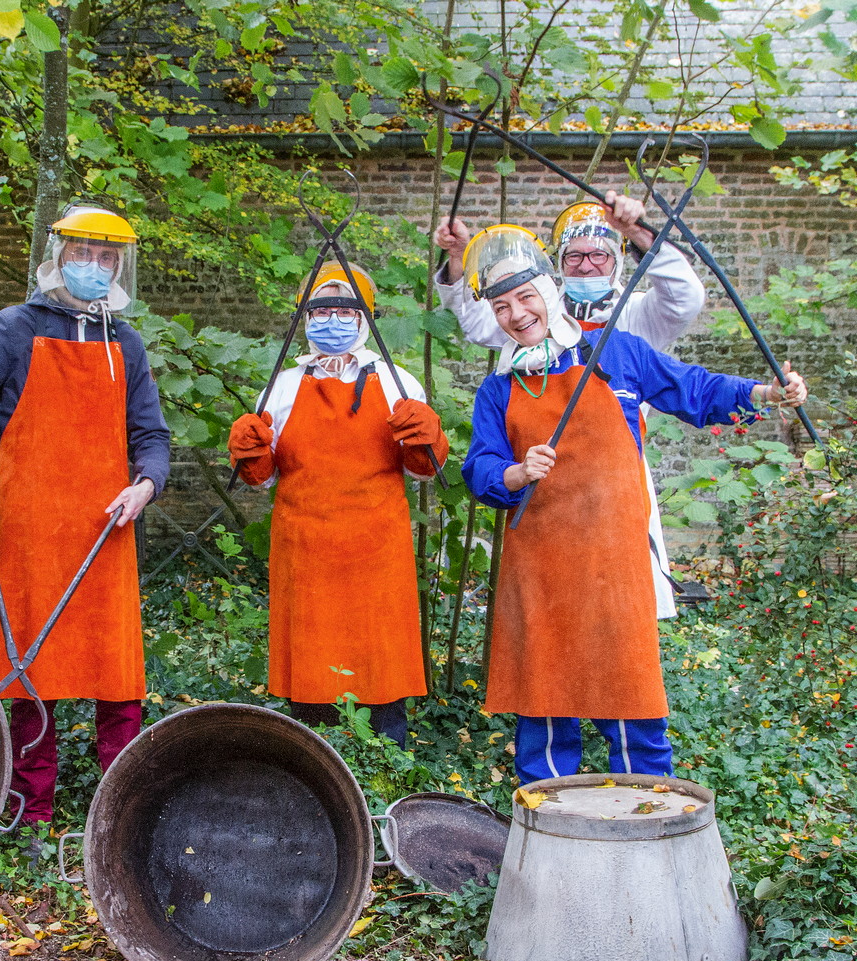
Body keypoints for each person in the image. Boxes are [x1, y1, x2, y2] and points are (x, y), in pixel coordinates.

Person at [458, 225, 807, 784]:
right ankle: (547, 819)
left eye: (525, 297)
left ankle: (650, 811)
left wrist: (764, 394)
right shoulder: (497, 388)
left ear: (548, 291)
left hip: (615, 564)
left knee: (629, 691)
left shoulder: (617, 352)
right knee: (546, 694)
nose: (517, 314)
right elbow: (479, 468)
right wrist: (515, 472)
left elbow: (694, 390)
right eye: (501, 307)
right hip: (540, 569)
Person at [0, 206, 170, 861]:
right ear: (60, 256)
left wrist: (145, 485)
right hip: (29, 536)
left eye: (106, 257)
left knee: (118, 682)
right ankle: (31, 820)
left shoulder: (127, 345)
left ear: (118, 267)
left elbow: (153, 439)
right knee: (29, 679)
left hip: (106, 536)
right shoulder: (15, 330)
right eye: (83, 253)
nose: (94, 266)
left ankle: (124, 820)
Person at [436, 195, 707, 619]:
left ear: (616, 259)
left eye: (598, 255)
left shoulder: (635, 315)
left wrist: (637, 231)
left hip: (612, 475)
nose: (585, 266)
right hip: (542, 477)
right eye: (574, 256)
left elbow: (684, 298)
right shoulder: (537, 309)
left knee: (618, 604)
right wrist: (458, 255)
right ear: (557, 265)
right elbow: (478, 318)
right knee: (555, 606)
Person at [227, 262, 448, 742]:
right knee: (311, 681)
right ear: (304, 318)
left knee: (381, 673)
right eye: (321, 309)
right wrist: (248, 450)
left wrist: (429, 439)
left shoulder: (398, 382)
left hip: (377, 552)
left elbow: (422, 469)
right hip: (305, 552)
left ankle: (386, 769)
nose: (332, 319)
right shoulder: (281, 387)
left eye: (344, 309)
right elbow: (259, 479)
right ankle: (317, 780)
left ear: (365, 317)